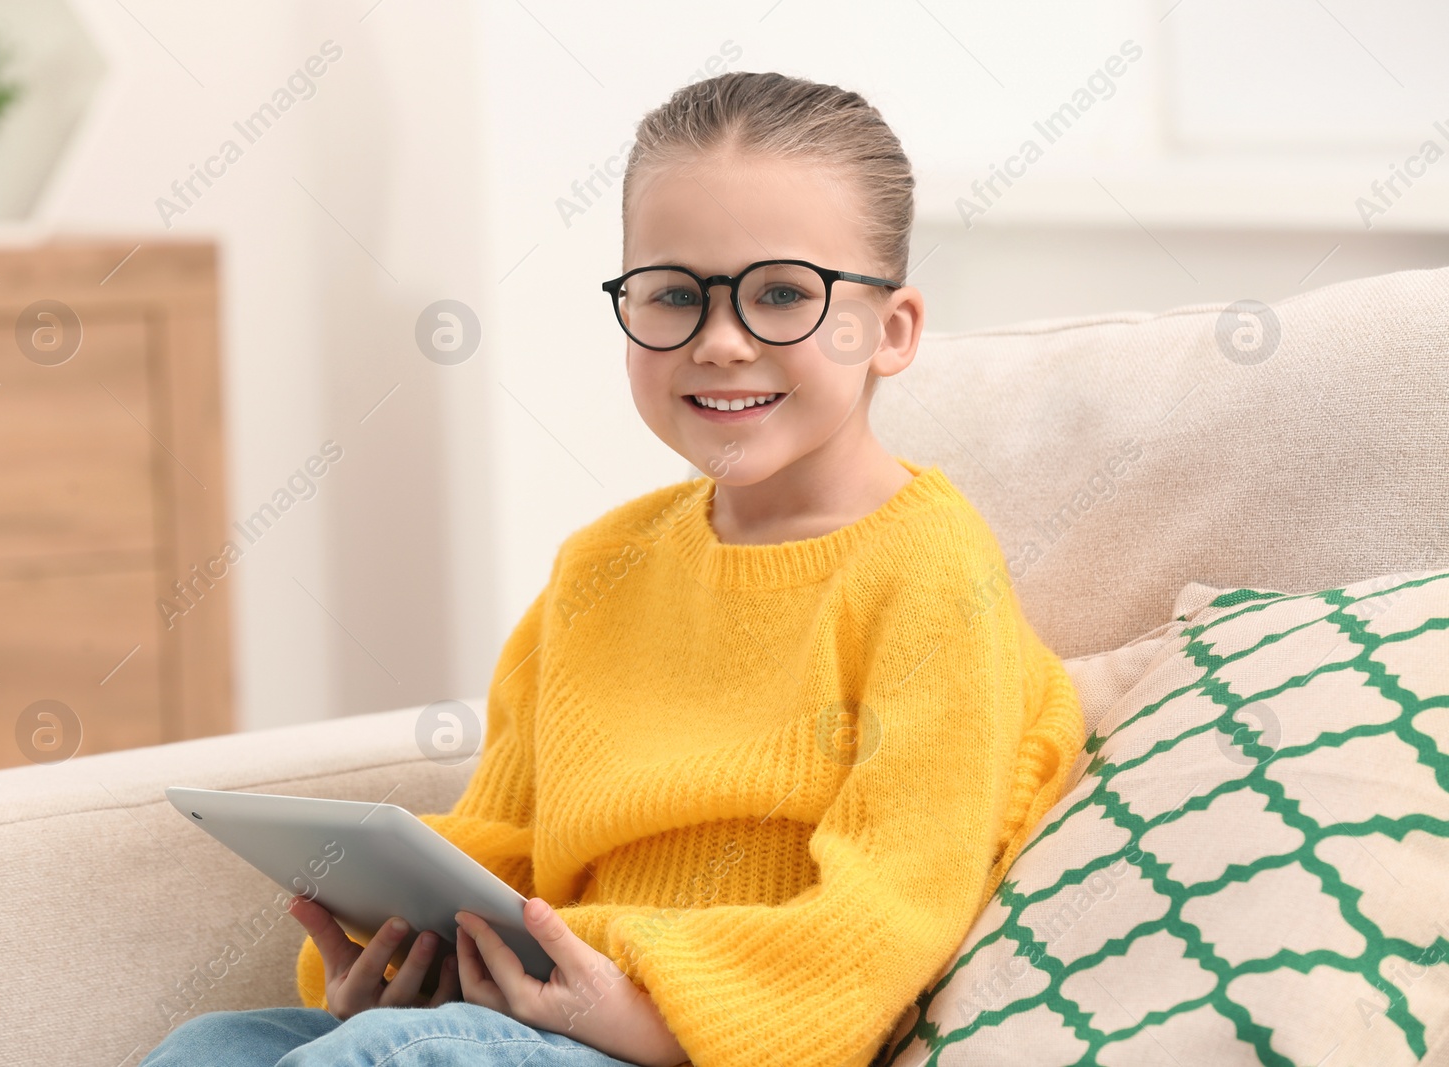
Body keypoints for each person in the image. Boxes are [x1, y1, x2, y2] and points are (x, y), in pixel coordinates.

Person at [140, 69, 1085, 1067]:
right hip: (533, 1012)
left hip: (706, 1040)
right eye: (674, 294)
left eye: (779, 293)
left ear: (889, 330)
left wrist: (655, 1021)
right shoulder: (599, 566)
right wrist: (398, 958)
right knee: (214, 1046)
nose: (720, 342)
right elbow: (502, 837)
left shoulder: (930, 568)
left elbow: (891, 907)